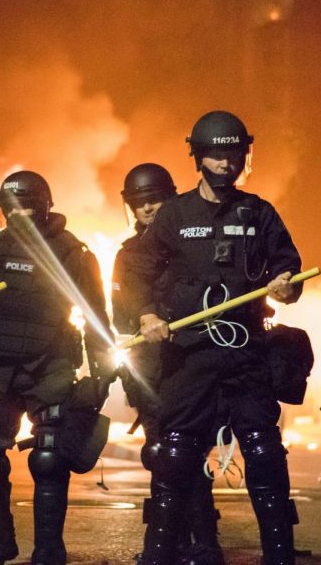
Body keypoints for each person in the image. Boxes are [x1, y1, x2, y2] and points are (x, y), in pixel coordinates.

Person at [129, 111, 303, 565]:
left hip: (246, 351)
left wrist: (286, 283)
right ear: (198, 158)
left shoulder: (259, 212)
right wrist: (147, 315)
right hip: (190, 355)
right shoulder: (173, 214)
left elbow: (290, 268)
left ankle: (279, 556)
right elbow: (137, 274)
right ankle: (162, 555)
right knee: (175, 456)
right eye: (217, 155)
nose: (226, 164)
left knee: (264, 453)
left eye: (234, 155)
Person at [0, 170, 113, 565]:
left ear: (44, 207)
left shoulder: (72, 253)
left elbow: (96, 318)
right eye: (11, 208)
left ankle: (48, 550)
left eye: (27, 207)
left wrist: (102, 375)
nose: (19, 215)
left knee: (49, 456)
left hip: (51, 365)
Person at [113, 162, 223, 563]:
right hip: (150, 368)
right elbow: (120, 316)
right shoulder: (127, 256)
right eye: (140, 202)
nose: (148, 209)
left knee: (187, 453)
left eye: (156, 200)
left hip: (193, 360)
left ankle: (203, 542)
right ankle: (173, 543)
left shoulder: (193, 243)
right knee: (162, 454)